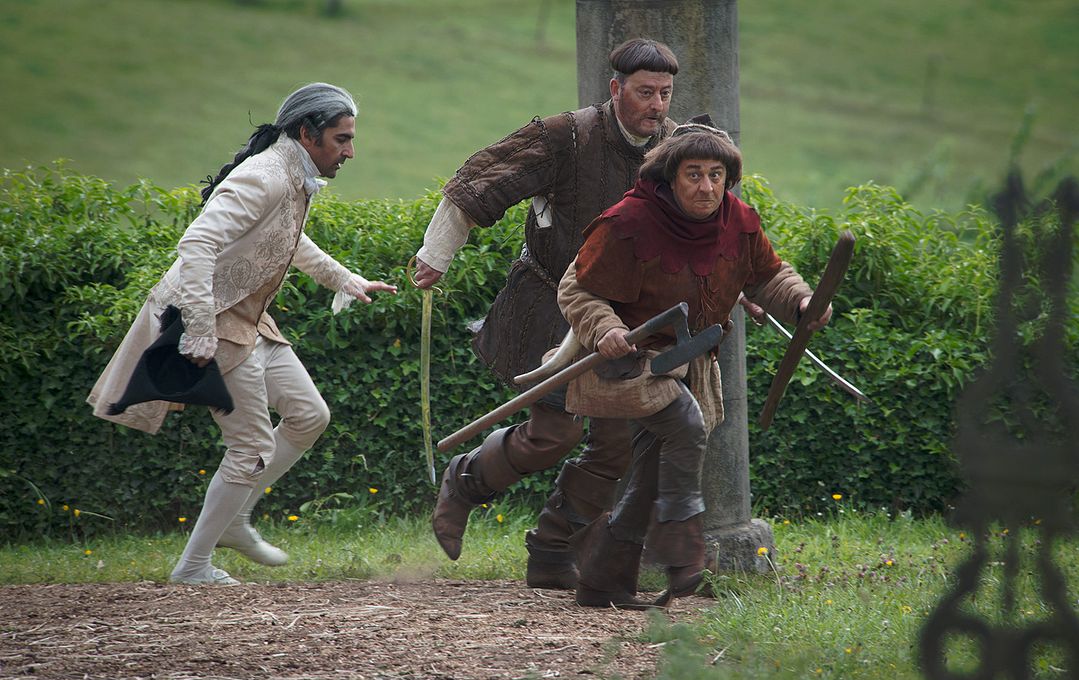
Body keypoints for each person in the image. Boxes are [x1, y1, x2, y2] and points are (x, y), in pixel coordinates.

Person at [87, 83, 398, 585]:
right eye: (341, 140)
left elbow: (287, 239)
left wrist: (346, 278)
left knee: (308, 415)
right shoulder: (265, 176)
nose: (350, 152)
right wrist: (201, 329)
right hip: (210, 316)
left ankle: (234, 519)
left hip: (246, 318)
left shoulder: (291, 173)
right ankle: (193, 566)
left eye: (350, 139)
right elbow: (197, 242)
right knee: (251, 447)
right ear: (306, 133)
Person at [411, 39, 681, 589]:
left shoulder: (678, 149)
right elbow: (477, 181)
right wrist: (436, 255)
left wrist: (736, 282)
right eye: (645, 92)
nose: (656, 106)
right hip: (552, 308)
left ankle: (552, 551)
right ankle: (465, 482)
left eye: (665, 94)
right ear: (616, 89)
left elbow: (714, 225)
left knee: (613, 445)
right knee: (553, 436)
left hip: (624, 326)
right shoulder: (567, 136)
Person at [558, 122, 832, 608]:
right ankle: (683, 553)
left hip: (689, 362)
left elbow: (769, 275)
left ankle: (602, 580)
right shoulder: (628, 222)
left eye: (716, 175)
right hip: (629, 362)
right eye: (693, 175)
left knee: (649, 472)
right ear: (670, 177)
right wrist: (605, 328)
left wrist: (804, 301)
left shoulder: (738, 220)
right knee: (685, 427)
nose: (706, 187)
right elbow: (575, 288)